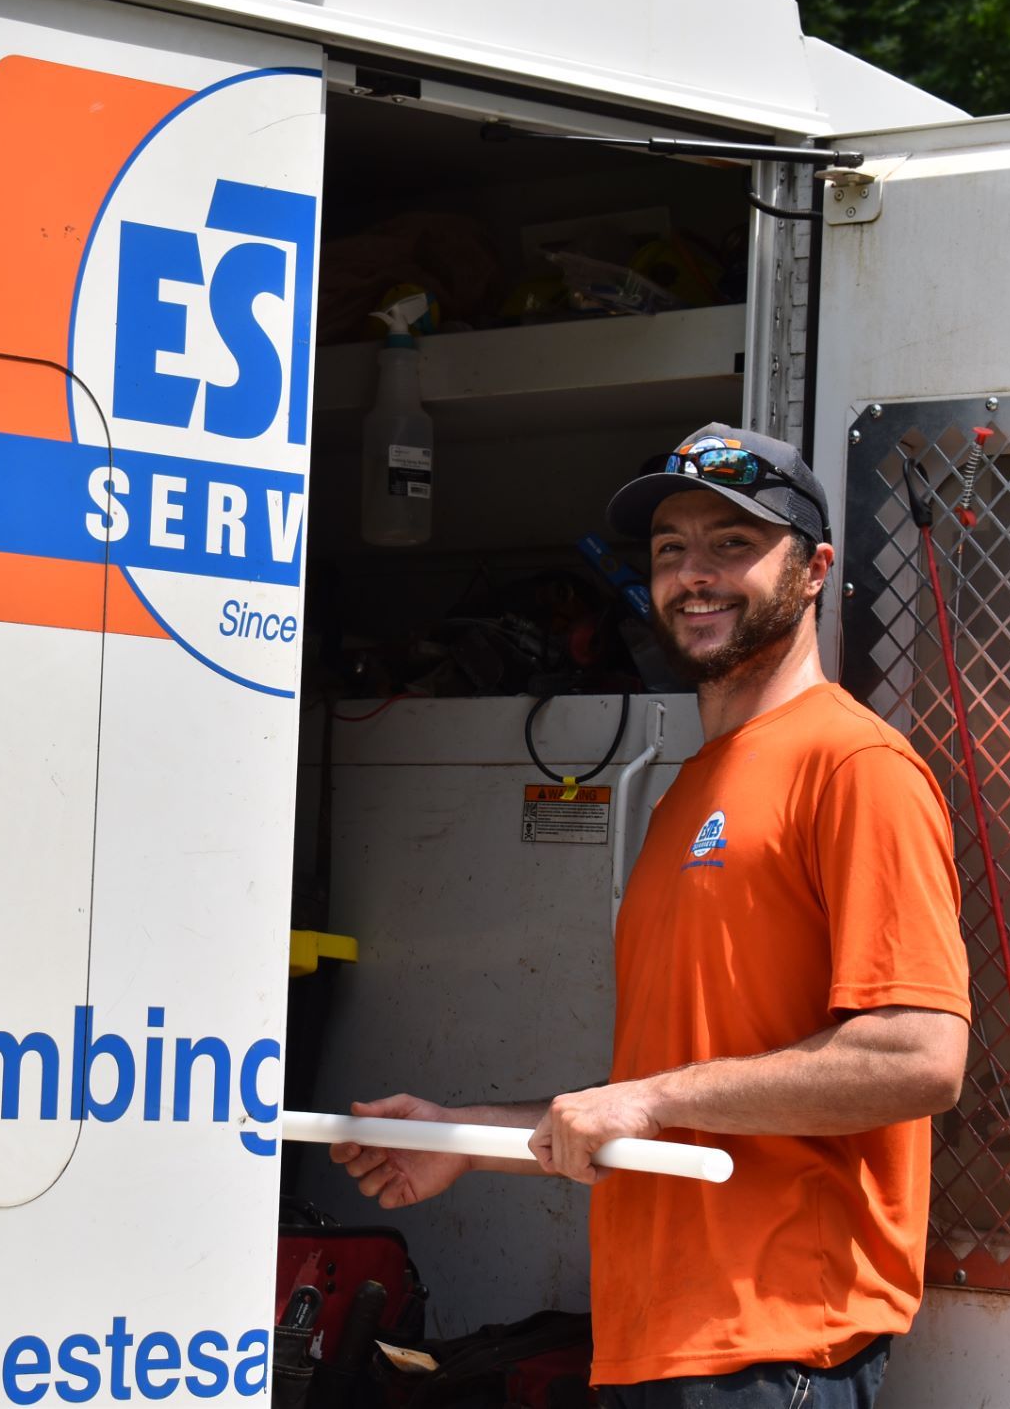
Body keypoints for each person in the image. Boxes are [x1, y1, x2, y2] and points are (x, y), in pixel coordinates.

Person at [330, 424, 971, 1408]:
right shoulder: (691, 789)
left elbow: (918, 1055)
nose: (692, 575)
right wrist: (464, 1131)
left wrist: (651, 1098)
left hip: (771, 1346)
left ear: (814, 571)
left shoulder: (854, 767)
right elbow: (666, 1076)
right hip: (654, 1342)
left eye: (730, 544)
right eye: (669, 549)